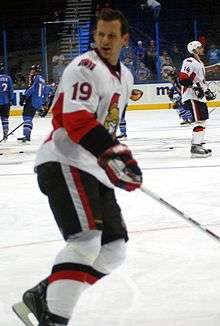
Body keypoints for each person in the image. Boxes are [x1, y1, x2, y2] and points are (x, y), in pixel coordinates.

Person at [12, 8, 142, 326]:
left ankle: (44, 294)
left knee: (114, 250)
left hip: (92, 167)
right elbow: (76, 120)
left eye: (112, 35)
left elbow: (106, 127)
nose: (105, 40)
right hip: (64, 160)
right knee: (85, 240)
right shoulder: (85, 66)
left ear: (124, 38)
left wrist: (118, 162)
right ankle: (54, 319)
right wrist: (114, 153)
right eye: (100, 34)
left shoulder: (125, 76)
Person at [179, 41, 216, 158]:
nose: (202, 49)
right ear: (194, 50)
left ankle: (198, 144)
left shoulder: (199, 62)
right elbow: (183, 78)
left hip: (198, 97)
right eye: (199, 47)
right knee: (199, 121)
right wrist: (195, 87)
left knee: (203, 120)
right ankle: (195, 147)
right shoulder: (189, 61)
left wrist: (206, 91)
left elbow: (200, 81)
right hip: (191, 96)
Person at [18, 64, 46, 143]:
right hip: (38, 101)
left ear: (36, 70)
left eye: (32, 69)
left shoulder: (35, 77)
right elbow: (45, 92)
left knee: (26, 117)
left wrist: (24, 96)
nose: (31, 71)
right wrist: (41, 105)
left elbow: (32, 88)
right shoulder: (43, 79)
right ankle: (27, 136)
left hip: (32, 100)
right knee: (29, 118)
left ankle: (27, 136)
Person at [0, 63, 14, 141]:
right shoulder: (8, 78)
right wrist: (11, 99)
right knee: (5, 118)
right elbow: (11, 90)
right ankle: (5, 134)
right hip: (6, 101)